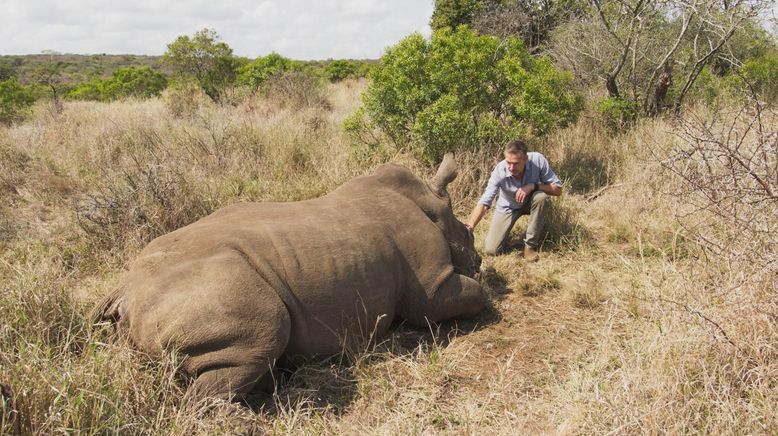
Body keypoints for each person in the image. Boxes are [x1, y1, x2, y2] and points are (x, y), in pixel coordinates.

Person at [465, 140, 562, 261]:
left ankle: (529, 247)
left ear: (525, 159)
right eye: (508, 162)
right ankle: (506, 240)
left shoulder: (537, 160)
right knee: (491, 250)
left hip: (531, 202)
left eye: (515, 163)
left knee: (541, 197)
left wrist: (533, 186)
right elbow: (485, 201)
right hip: (508, 206)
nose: (511, 167)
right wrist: (470, 226)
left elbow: (558, 190)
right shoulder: (499, 171)